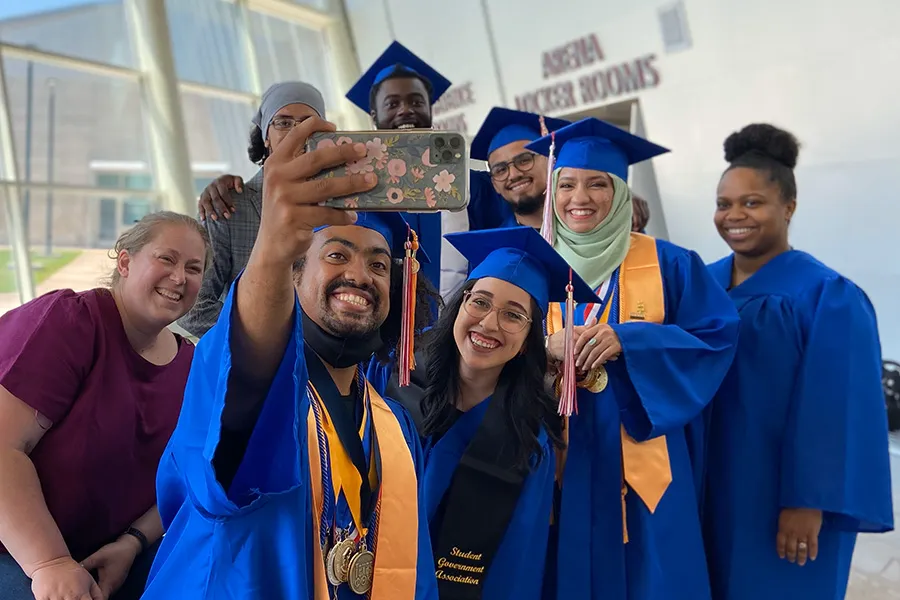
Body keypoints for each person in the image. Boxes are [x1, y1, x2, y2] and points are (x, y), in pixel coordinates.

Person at [142, 117, 438, 599]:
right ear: (295, 277)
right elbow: (245, 391)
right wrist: (272, 253)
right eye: (336, 256)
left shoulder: (396, 427)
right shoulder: (255, 391)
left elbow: (414, 571)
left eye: (379, 266)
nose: (360, 276)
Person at [525, 118, 740, 600]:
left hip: (648, 465)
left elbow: (716, 339)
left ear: (620, 193)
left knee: (656, 578)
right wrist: (542, 351)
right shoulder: (528, 265)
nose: (580, 197)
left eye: (598, 183)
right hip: (558, 462)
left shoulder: (670, 263)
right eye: (567, 184)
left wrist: (635, 342)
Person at [704, 124, 893, 600]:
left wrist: (808, 501)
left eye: (752, 202)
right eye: (724, 203)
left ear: (788, 207)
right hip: (707, 481)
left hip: (781, 493)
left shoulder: (826, 296)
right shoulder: (700, 284)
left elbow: (837, 408)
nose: (735, 215)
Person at [0, 212, 210, 600]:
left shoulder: (192, 367)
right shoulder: (71, 323)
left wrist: (132, 541)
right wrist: (50, 565)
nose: (180, 277)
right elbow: (3, 449)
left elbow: (183, 476)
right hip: (17, 546)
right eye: (167, 259)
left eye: (193, 268)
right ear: (126, 262)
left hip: (109, 552)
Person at [420, 226, 598, 600]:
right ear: (459, 306)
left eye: (513, 315)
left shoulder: (530, 440)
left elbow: (517, 565)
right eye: (480, 301)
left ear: (527, 343)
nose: (488, 323)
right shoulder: (398, 389)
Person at [179, 81, 327, 337]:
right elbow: (192, 307)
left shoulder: (341, 206)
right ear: (265, 136)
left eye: (307, 122)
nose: (296, 132)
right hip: (255, 364)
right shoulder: (227, 208)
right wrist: (261, 342)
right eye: (283, 122)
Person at [468, 107, 569, 231]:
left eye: (524, 160)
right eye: (501, 170)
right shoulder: (498, 245)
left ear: (550, 161)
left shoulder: (590, 227)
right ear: (494, 184)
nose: (514, 174)